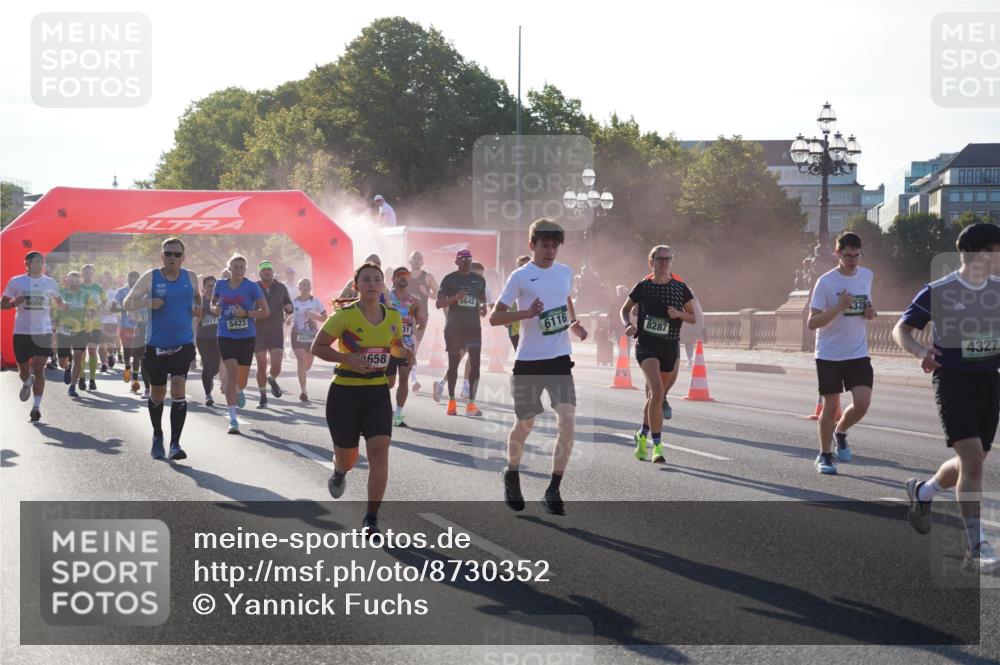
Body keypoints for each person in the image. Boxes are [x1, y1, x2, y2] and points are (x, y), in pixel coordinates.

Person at [895, 223, 1000, 573]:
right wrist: (920, 351)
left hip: (989, 381)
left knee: (974, 460)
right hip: (953, 381)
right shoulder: (940, 290)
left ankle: (923, 492)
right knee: (972, 462)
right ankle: (976, 547)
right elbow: (901, 329)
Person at [489, 219, 587, 515]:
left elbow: (564, 298)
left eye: (555, 246)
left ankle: (553, 489)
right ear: (532, 245)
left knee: (567, 423)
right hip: (529, 361)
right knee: (526, 422)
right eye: (545, 245)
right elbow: (495, 317)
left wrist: (573, 323)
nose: (550, 251)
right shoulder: (520, 276)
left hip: (559, 360)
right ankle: (511, 472)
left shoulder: (565, 272)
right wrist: (527, 313)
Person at [311, 262, 411, 536]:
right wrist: (347, 359)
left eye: (377, 279)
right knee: (348, 459)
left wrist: (403, 352)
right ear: (357, 286)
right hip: (345, 392)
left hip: (377, 392)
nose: (372, 284)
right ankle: (340, 471)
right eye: (366, 279)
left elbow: (395, 346)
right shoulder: (344, 316)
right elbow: (317, 346)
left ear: (383, 285)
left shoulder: (393, 316)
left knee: (379, 452)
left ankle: (371, 518)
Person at [123, 238, 200, 461]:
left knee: (178, 389)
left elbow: (197, 298)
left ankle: (175, 443)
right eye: (168, 254)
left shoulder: (191, 277)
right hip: (156, 344)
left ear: (183, 257)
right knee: (157, 394)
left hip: (183, 342)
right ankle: (158, 435)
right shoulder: (151, 277)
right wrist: (148, 303)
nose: (172, 258)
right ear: (162, 256)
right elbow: (127, 303)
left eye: (177, 254)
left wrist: (198, 308)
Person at [807, 232, 876, 475]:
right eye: (847, 256)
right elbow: (812, 322)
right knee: (831, 405)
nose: (852, 261)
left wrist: (870, 312)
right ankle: (825, 455)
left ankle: (841, 431)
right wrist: (838, 306)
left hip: (857, 351)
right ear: (838, 253)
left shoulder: (867, 275)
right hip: (829, 354)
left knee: (863, 403)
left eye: (857, 255)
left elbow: (867, 308)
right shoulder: (825, 282)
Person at [620, 246, 696, 463]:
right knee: (657, 390)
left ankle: (642, 435)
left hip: (670, 347)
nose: (663, 262)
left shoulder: (681, 288)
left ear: (671, 262)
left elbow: (693, 317)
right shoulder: (643, 286)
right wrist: (627, 325)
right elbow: (624, 309)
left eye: (667, 259)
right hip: (646, 346)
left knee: (656, 397)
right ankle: (657, 447)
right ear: (651, 262)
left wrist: (678, 313)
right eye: (660, 259)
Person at [1, 251, 63, 422]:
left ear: (43, 264)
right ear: (27, 264)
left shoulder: (50, 282)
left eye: (40, 262)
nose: (37, 265)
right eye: (33, 262)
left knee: (39, 369)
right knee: (24, 371)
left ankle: (36, 407)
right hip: (21, 331)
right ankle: (27, 382)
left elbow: (59, 303)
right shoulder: (16, 281)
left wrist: (65, 311)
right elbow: (2, 304)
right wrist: (14, 303)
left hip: (42, 331)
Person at [213, 254, 268, 434]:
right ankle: (233, 419)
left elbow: (265, 311)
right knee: (231, 374)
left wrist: (246, 314)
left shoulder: (252, 287)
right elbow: (213, 304)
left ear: (245, 270)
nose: (238, 270)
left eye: (241, 267)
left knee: (241, 381)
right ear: (229, 268)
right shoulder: (220, 284)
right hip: (225, 335)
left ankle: (239, 389)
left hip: (246, 336)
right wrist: (215, 309)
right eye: (235, 267)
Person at [435, 249, 487, 416]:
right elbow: (439, 303)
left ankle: (471, 404)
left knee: (476, 363)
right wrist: (454, 298)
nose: (466, 262)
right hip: (454, 327)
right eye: (462, 259)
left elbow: (482, 298)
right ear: (456, 262)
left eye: (469, 259)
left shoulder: (479, 280)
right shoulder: (449, 279)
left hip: (473, 327)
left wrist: (483, 307)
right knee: (453, 364)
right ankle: (451, 402)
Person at [386, 267, 425, 427]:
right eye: (400, 275)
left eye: (406, 276)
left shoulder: (413, 300)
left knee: (404, 379)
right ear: (393, 279)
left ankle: (398, 414)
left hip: (406, 346)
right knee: (389, 383)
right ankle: (383, 408)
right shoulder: (386, 298)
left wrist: (421, 321)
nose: (404, 278)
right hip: (388, 345)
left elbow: (419, 318)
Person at [254, 260, 293, 407]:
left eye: (269, 269)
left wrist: (289, 308)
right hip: (259, 331)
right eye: (264, 270)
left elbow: (288, 304)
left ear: (272, 272)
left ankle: (272, 379)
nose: (267, 272)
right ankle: (263, 396)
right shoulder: (254, 287)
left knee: (276, 366)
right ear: (260, 272)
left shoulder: (281, 287)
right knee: (261, 365)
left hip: (276, 330)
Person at [55, 271, 96, 398]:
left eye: (77, 280)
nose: (74, 283)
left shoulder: (85, 295)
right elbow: (55, 310)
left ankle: (72, 386)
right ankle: (67, 367)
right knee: (62, 362)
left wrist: (91, 314)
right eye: (72, 280)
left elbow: (93, 310)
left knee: (78, 357)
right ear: (67, 281)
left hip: (80, 330)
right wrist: (54, 322)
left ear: (80, 281)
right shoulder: (61, 293)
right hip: (63, 329)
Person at [290, 277, 327, 402]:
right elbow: (289, 314)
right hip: (297, 334)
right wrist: (288, 319)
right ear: (299, 287)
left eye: (307, 285)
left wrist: (313, 316)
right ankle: (303, 391)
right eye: (303, 285)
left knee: (307, 365)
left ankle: (301, 373)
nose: (305, 287)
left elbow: (325, 317)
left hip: (311, 336)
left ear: (310, 288)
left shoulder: (315, 302)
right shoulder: (293, 301)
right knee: (301, 360)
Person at [407, 251, 437, 392]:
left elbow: (438, 295)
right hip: (405, 316)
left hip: (421, 317)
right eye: (414, 258)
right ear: (409, 260)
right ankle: (412, 379)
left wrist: (427, 293)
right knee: (407, 347)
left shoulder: (428, 277)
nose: (416, 260)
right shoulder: (404, 276)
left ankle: (411, 378)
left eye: (419, 258)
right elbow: (395, 292)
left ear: (423, 261)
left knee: (414, 349)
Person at [111, 271, 143, 392]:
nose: (133, 281)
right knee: (127, 351)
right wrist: (124, 307)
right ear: (127, 279)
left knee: (137, 354)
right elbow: (113, 308)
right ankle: (127, 367)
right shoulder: (121, 292)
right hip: (125, 326)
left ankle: (134, 380)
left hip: (140, 326)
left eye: (136, 279)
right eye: (131, 278)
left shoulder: (144, 292)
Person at [194, 275, 223, 406]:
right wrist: (198, 313)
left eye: (213, 286)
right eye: (208, 286)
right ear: (204, 287)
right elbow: (195, 317)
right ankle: (208, 395)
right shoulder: (199, 301)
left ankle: (209, 377)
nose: (211, 288)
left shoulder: (221, 300)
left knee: (215, 367)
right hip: (203, 338)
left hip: (218, 338)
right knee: (207, 364)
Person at [79, 264, 106, 391]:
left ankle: (92, 380)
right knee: (81, 353)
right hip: (80, 325)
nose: (88, 274)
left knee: (92, 351)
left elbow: (104, 302)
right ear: (82, 273)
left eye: (90, 272)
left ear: (93, 273)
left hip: (95, 324)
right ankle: (81, 377)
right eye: (86, 272)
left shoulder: (98, 288)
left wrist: (96, 310)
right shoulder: (78, 287)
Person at [506, 255, 532, 350]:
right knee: (519, 355)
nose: (523, 268)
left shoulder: (537, 281)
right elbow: (504, 301)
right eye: (521, 265)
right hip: (514, 328)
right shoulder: (513, 280)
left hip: (532, 327)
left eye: (526, 265)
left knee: (532, 356)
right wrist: (505, 319)